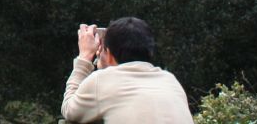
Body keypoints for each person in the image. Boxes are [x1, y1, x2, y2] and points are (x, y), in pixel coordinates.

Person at [61, 16, 192, 123]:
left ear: (109, 55)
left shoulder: (101, 81)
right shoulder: (170, 81)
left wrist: (84, 57)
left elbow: (69, 110)